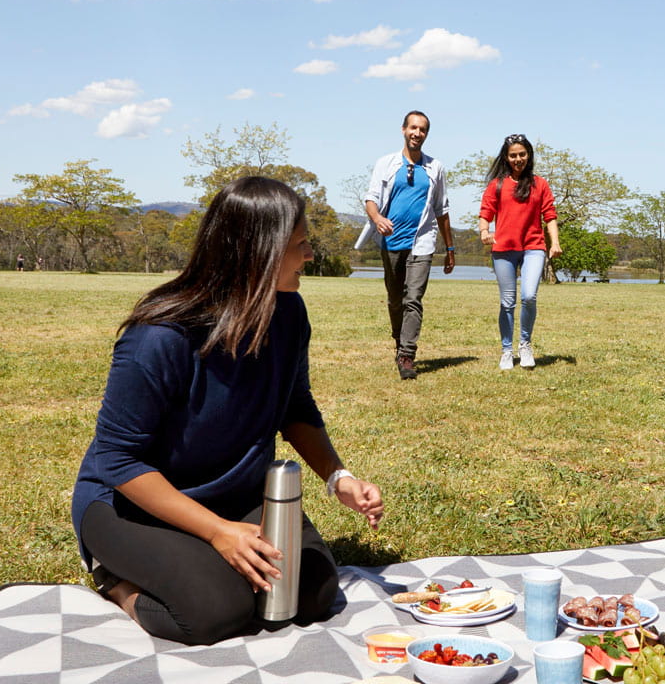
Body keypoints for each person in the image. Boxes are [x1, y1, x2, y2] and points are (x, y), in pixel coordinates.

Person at [71, 176, 386, 646]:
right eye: (300, 245)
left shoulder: (289, 313)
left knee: (313, 594)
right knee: (216, 612)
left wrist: (338, 477)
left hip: (236, 494)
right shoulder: (158, 337)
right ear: (260, 252)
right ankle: (115, 581)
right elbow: (119, 462)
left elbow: (295, 406)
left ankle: (209, 554)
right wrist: (219, 533)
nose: (310, 255)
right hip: (131, 505)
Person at [356, 110, 455, 380]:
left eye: (422, 130)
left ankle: (407, 354)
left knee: (413, 299)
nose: (417, 133)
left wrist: (449, 248)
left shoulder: (435, 168)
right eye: (413, 128)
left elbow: (441, 210)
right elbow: (371, 198)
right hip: (391, 242)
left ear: (426, 134)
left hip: (422, 241)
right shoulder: (386, 163)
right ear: (403, 130)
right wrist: (377, 219)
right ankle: (399, 340)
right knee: (395, 299)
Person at [477, 134, 561, 370]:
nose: (518, 159)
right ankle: (507, 350)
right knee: (507, 302)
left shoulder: (540, 184)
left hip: (533, 247)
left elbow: (550, 216)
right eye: (513, 155)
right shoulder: (497, 185)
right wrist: (484, 231)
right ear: (506, 157)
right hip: (504, 249)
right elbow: (486, 213)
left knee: (528, 296)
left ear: (529, 155)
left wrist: (554, 243)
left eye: (522, 154)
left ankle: (525, 345)